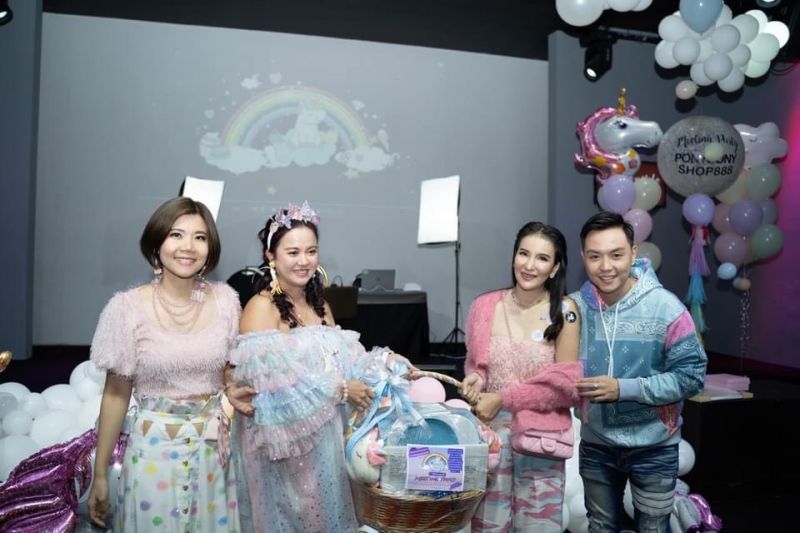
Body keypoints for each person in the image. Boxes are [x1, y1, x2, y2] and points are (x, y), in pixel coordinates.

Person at [224, 201, 411, 532]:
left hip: (325, 443)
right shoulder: (260, 308)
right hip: (285, 452)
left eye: (311, 251)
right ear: (271, 256)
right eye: (293, 252)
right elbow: (270, 394)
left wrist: (385, 360)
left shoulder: (320, 305)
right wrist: (340, 391)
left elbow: (345, 362)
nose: (304, 261)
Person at [87, 197, 241, 531]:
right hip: (153, 455)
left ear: (210, 248)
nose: (188, 246)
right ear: (157, 244)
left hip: (213, 454)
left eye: (200, 237)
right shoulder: (126, 308)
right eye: (176, 235)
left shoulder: (227, 301)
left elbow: (230, 374)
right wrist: (100, 474)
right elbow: (116, 394)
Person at [571, 211, 707, 533]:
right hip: (596, 443)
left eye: (616, 255)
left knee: (653, 528)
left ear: (633, 253)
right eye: (595, 256)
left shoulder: (666, 308)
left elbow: (692, 376)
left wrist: (624, 389)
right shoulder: (574, 308)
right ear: (583, 257)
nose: (606, 266)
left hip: (655, 446)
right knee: (600, 526)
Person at [460, 221, 582, 532]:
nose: (529, 265)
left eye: (542, 258)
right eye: (523, 253)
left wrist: (503, 398)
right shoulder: (483, 306)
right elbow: (477, 365)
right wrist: (476, 379)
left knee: (538, 525)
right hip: (490, 437)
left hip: (542, 436)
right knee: (488, 524)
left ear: (555, 268)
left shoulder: (566, 311)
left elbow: (565, 387)